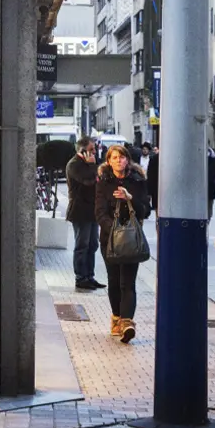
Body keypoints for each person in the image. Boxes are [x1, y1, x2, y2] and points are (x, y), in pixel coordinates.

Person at [95, 145, 150, 344]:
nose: (119, 161)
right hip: (109, 240)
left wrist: (130, 198)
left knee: (128, 281)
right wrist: (114, 231)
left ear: (128, 160)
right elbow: (100, 212)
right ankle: (117, 317)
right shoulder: (103, 182)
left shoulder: (137, 180)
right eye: (114, 158)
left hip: (132, 239)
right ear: (109, 161)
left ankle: (127, 323)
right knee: (114, 281)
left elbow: (146, 210)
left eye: (122, 157)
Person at [65, 137, 104, 291]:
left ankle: (90, 275)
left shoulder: (90, 164)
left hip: (92, 210)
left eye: (94, 149)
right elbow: (89, 180)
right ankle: (81, 277)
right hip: (80, 211)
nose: (94, 152)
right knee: (82, 244)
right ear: (82, 150)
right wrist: (92, 165)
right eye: (91, 149)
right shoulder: (74, 165)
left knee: (93, 244)